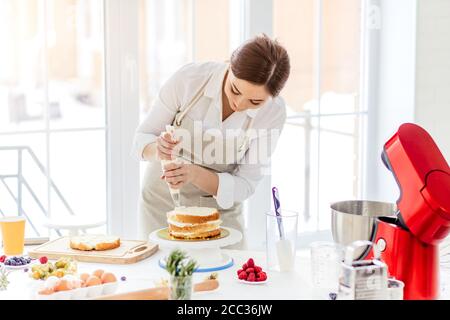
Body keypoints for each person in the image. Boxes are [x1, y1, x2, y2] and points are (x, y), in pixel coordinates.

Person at [133, 34, 290, 248]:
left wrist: (193, 173)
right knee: (167, 276)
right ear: (229, 65)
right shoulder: (190, 79)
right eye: (235, 90)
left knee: (228, 278)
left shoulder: (273, 113)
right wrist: (158, 149)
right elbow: (142, 138)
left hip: (220, 213)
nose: (238, 104)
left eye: (255, 101)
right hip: (163, 204)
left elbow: (245, 184)